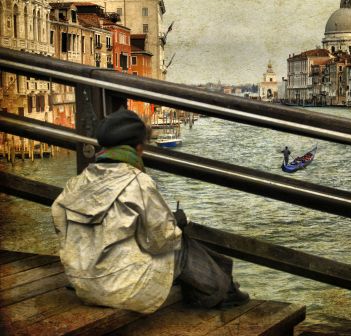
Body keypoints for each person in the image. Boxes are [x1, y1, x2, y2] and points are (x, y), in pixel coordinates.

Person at [51, 108, 248, 314]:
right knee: (180, 245)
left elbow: (59, 222)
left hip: (84, 287)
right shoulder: (139, 182)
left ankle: (225, 286)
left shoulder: (76, 183)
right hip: (123, 290)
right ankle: (223, 292)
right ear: (138, 149)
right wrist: (177, 221)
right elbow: (164, 239)